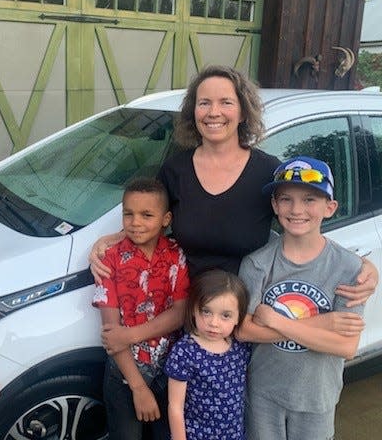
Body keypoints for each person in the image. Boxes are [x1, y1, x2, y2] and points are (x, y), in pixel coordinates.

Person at [90, 66, 376, 340]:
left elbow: (301, 224)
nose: (214, 112)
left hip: (245, 321)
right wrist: (111, 241)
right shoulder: (174, 171)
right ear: (194, 112)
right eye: (204, 103)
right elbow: (149, 220)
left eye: (226, 102)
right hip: (183, 316)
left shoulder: (267, 172)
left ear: (242, 112)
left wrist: (363, 264)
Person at [237, 156, 363, 440]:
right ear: (274, 205)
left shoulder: (349, 268)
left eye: (309, 199)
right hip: (264, 394)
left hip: (316, 397)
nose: (296, 210)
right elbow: (244, 330)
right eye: (285, 199)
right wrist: (324, 323)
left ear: (330, 207)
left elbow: (345, 346)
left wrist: (274, 320)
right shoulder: (257, 264)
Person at [92, 178, 190, 440]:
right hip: (125, 374)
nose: (135, 222)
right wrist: (138, 387)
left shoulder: (176, 254)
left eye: (147, 215)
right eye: (129, 214)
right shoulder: (109, 259)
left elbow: (180, 312)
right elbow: (112, 334)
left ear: (165, 218)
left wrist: (132, 334)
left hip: (170, 370)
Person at [165, 269, 251, 440]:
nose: (214, 323)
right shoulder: (185, 351)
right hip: (196, 435)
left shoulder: (240, 347)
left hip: (233, 435)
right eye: (206, 311)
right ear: (193, 310)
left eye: (225, 315)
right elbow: (175, 406)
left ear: (238, 318)